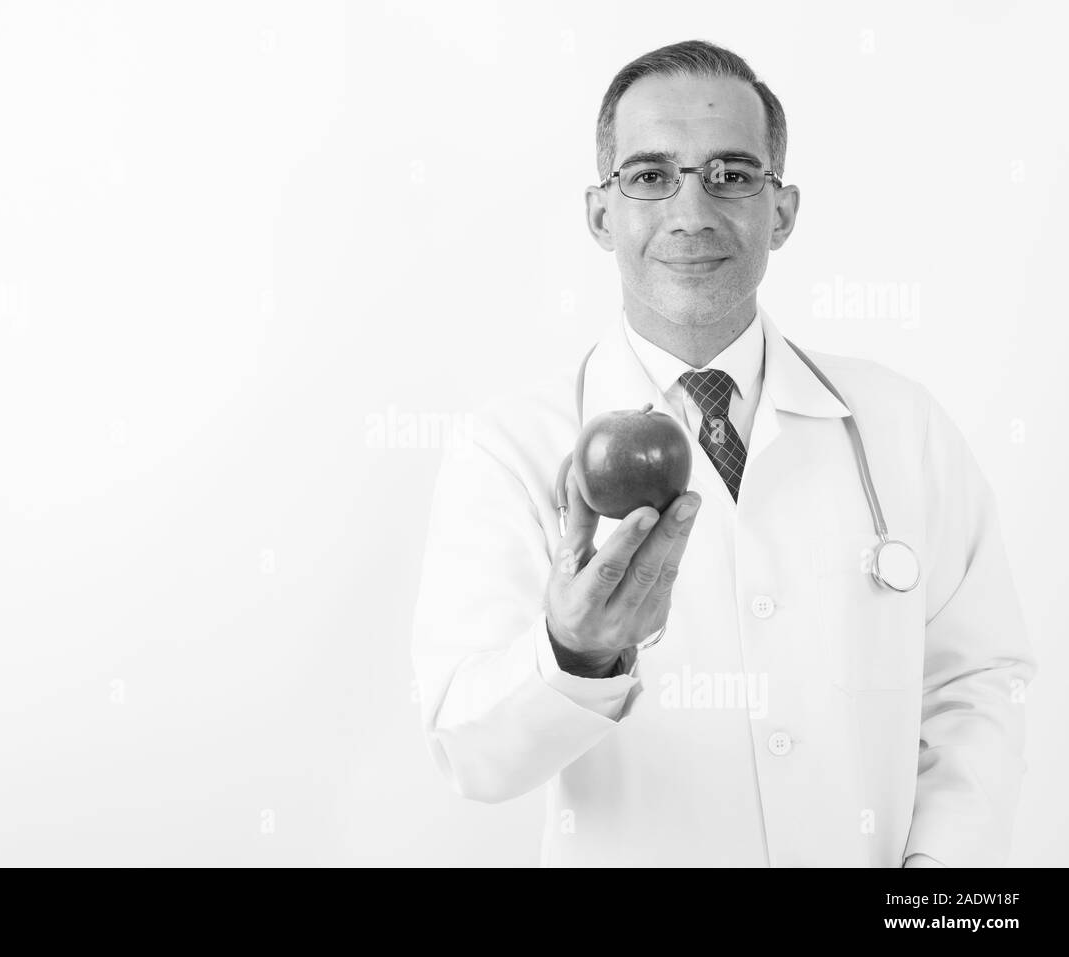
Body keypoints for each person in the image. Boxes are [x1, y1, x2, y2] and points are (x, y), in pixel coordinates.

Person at [410, 40, 1035, 867]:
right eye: (650, 175)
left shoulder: (900, 424)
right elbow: (470, 754)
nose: (692, 210)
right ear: (602, 213)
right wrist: (573, 653)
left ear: (783, 211)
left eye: (734, 174)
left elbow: (977, 683)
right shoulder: (511, 449)